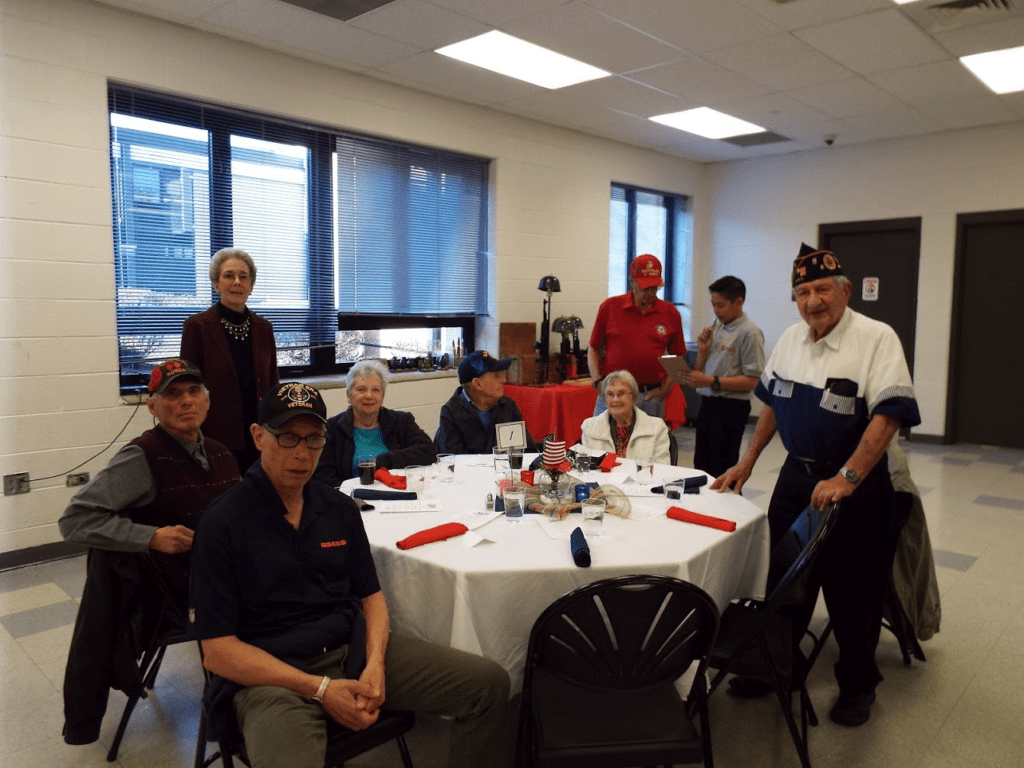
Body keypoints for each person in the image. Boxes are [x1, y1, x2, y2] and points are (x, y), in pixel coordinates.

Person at [188, 383, 511, 768]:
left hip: (351, 651)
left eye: (314, 439)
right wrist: (321, 689)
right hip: (272, 677)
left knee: (489, 684)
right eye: (287, 438)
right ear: (259, 437)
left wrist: (374, 662)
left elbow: (371, 598)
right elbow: (218, 651)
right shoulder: (222, 523)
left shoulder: (339, 509)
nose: (302, 453)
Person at [711, 243, 921, 727]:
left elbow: (889, 416)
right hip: (795, 477)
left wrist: (847, 476)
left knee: (854, 590)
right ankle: (774, 667)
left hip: (857, 484)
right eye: (802, 292)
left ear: (845, 290)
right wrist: (748, 461)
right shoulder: (789, 340)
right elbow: (771, 403)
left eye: (822, 289)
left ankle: (857, 685)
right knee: (783, 579)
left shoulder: (876, 338)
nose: (813, 301)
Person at [60, 358, 240, 745]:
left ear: (207, 401)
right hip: (176, 597)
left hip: (219, 576)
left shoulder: (223, 454)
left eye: (194, 392)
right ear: (153, 407)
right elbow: (74, 520)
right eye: (172, 395)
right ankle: (251, 704)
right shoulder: (141, 457)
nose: (186, 401)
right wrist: (149, 536)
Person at [181, 247, 279, 473]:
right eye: (228, 275)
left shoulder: (264, 328)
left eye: (243, 277)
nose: (237, 282)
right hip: (216, 436)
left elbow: (272, 383)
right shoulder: (197, 327)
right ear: (216, 284)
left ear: (251, 286)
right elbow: (189, 387)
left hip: (260, 435)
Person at [678, 276, 765, 478]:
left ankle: (729, 508)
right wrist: (702, 351)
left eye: (721, 305)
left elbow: (752, 381)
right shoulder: (717, 326)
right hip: (709, 403)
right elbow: (700, 371)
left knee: (722, 467)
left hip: (731, 408)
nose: (716, 311)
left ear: (738, 302)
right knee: (701, 464)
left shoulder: (749, 333)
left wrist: (712, 381)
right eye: (713, 305)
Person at [587, 254, 686, 418]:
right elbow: (594, 347)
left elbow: (678, 355)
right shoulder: (610, 307)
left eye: (654, 288)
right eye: (645, 288)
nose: (650, 293)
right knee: (603, 441)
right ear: (632, 281)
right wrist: (597, 381)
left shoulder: (670, 313)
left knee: (647, 443)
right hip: (613, 394)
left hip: (649, 396)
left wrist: (666, 389)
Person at [313, 359, 436, 488]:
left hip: (398, 493)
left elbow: (428, 451)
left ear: (382, 396)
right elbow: (324, 478)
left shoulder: (401, 421)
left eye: (376, 390)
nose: (369, 396)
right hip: (353, 499)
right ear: (349, 395)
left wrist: (385, 460)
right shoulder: (332, 429)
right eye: (361, 390)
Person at [434, 350, 540, 454]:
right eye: (496, 376)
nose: (503, 380)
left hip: (503, 470)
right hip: (470, 471)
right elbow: (454, 462)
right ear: (478, 384)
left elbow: (528, 452)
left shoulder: (507, 406)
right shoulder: (451, 413)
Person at [579, 370, 671, 465]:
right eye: (610, 394)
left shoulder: (657, 428)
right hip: (602, 479)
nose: (615, 399)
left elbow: (662, 470)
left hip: (642, 479)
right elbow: (586, 469)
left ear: (634, 397)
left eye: (621, 393)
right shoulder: (589, 427)